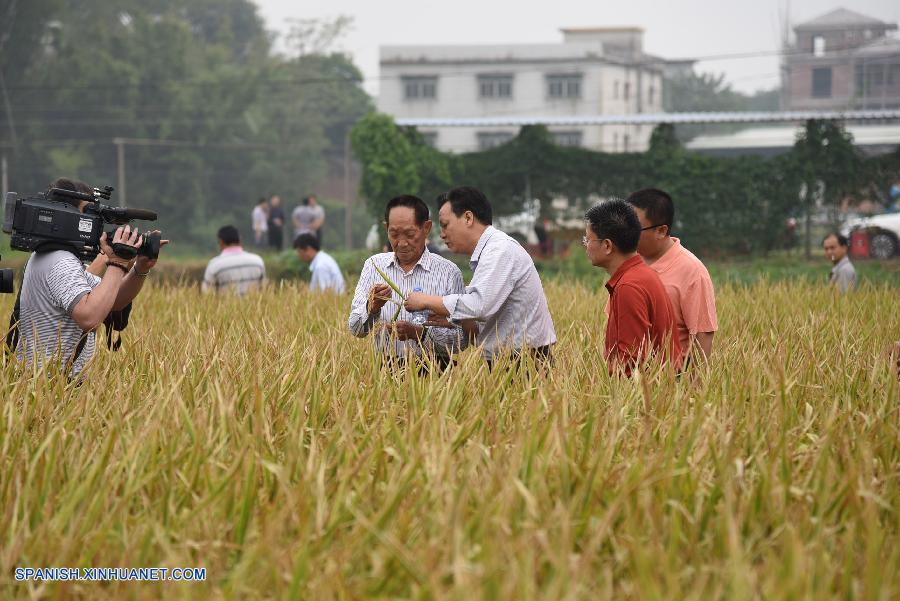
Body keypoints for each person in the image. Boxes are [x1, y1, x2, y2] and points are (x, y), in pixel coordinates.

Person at [14, 178, 165, 379]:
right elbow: (90, 317)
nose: (94, 222)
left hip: (47, 382)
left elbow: (112, 300)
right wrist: (118, 262)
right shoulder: (61, 261)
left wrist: (139, 268)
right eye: (89, 213)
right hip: (54, 384)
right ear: (70, 216)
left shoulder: (49, 255)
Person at [404, 186, 556, 369]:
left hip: (524, 364)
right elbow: (481, 323)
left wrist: (426, 301)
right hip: (508, 363)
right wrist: (456, 319)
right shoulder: (489, 253)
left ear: (468, 218)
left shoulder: (500, 250)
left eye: (445, 225)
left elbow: (479, 305)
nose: (442, 234)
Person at [348, 195, 470, 371]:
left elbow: (461, 341)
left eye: (410, 234)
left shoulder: (449, 272)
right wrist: (371, 307)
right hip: (384, 373)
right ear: (386, 228)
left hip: (435, 373)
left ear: (426, 228)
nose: (402, 243)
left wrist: (420, 334)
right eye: (394, 234)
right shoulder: (373, 266)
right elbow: (355, 329)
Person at [584, 199, 681, 376]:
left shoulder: (629, 286)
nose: (586, 246)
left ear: (607, 246)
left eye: (588, 239)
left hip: (647, 397)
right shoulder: (643, 274)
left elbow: (631, 362)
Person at [625, 188, 718, 364]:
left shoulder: (692, 271)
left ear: (661, 230)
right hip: (630, 379)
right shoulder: (627, 263)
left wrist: (697, 388)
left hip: (673, 380)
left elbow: (703, 334)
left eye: (634, 229)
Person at [202, 225, 265, 294]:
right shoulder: (257, 262)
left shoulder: (214, 265)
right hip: (254, 304)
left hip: (226, 304)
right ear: (240, 239)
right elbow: (264, 290)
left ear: (221, 241)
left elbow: (207, 295)